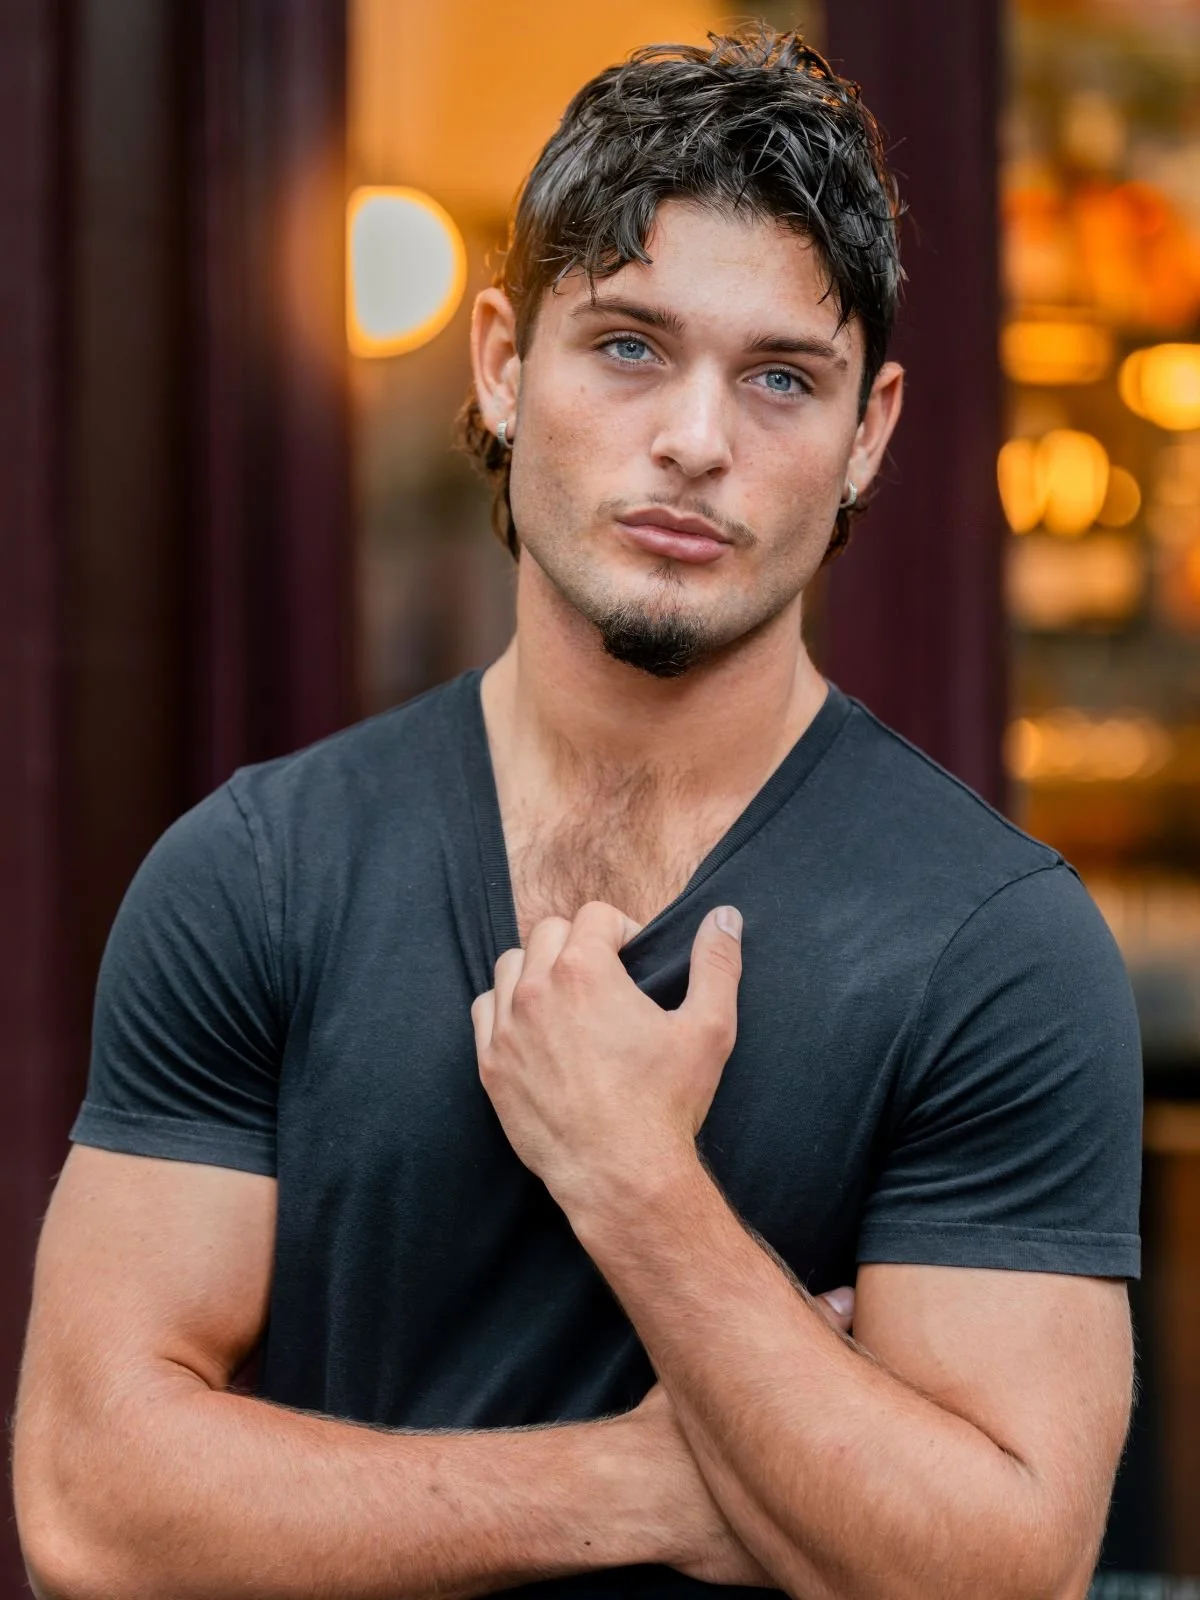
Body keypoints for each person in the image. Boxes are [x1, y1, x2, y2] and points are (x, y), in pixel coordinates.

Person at [14, 26, 1141, 1600]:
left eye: (780, 378)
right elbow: (89, 1506)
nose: (695, 437)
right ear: (499, 363)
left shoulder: (996, 947)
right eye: (627, 345)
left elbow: (997, 1573)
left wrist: (635, 1182)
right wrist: (635, 1486)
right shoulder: (256, 875)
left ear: (870, 433)